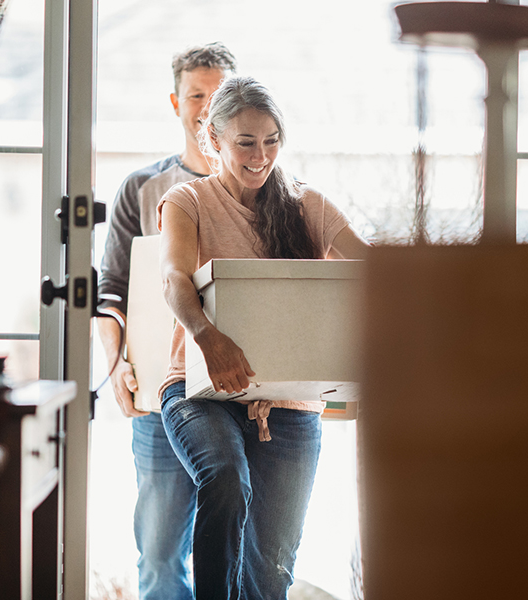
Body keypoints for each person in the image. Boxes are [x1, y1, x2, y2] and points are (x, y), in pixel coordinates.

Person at [157, 76, 370, 599]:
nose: (261, 155)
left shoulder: (307, 205)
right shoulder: (188, 201)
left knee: (270, 572)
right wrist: (207, 335)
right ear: (214, 141)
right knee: (226, 479)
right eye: (245, 142)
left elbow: (373, 269)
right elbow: (175, 279)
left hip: (291, 404)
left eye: (271, 140)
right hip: (201, 390)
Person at [97, 42, 237, 600]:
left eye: (218, 94)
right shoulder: (140, 189)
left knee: (232, 551)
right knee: (158, 555)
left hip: (239, 397)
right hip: (160, 394)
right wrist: (116, 367)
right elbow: (109, 292)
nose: (206, 107)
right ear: (175, 101)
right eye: (196, 94)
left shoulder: (261, 189)